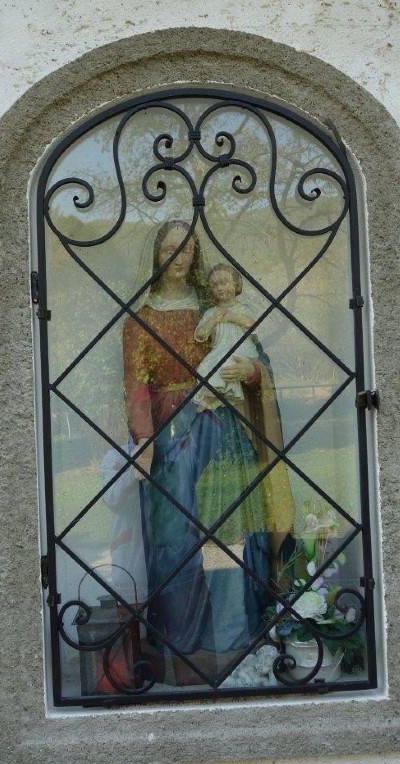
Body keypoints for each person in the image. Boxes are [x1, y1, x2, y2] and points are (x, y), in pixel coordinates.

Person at [122, 220, 295, 685]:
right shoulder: (141, 319)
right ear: (156, 255)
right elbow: (136, 387)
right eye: (170, 249)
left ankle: (240, 631)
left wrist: (251, 372)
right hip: (172, 435)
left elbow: (254, 354)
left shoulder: (215, 305)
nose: (180, 258)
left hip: (224, 425)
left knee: (234, 525)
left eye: (187, 250)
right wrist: (144, 440)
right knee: (175, 532)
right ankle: (184, 642)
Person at [194, 263, 259, 410]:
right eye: (214, 285)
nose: (219, 288)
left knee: (227, 364)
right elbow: (200, 335)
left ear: (235, 284)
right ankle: (218, 395)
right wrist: (213, 320)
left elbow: (253, 326)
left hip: (240, 350)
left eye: (224, 283)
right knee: (204, 368)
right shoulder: (211, 313)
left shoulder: (243, 309)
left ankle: (210, 397)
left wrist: (233, 317)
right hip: (219, 351)